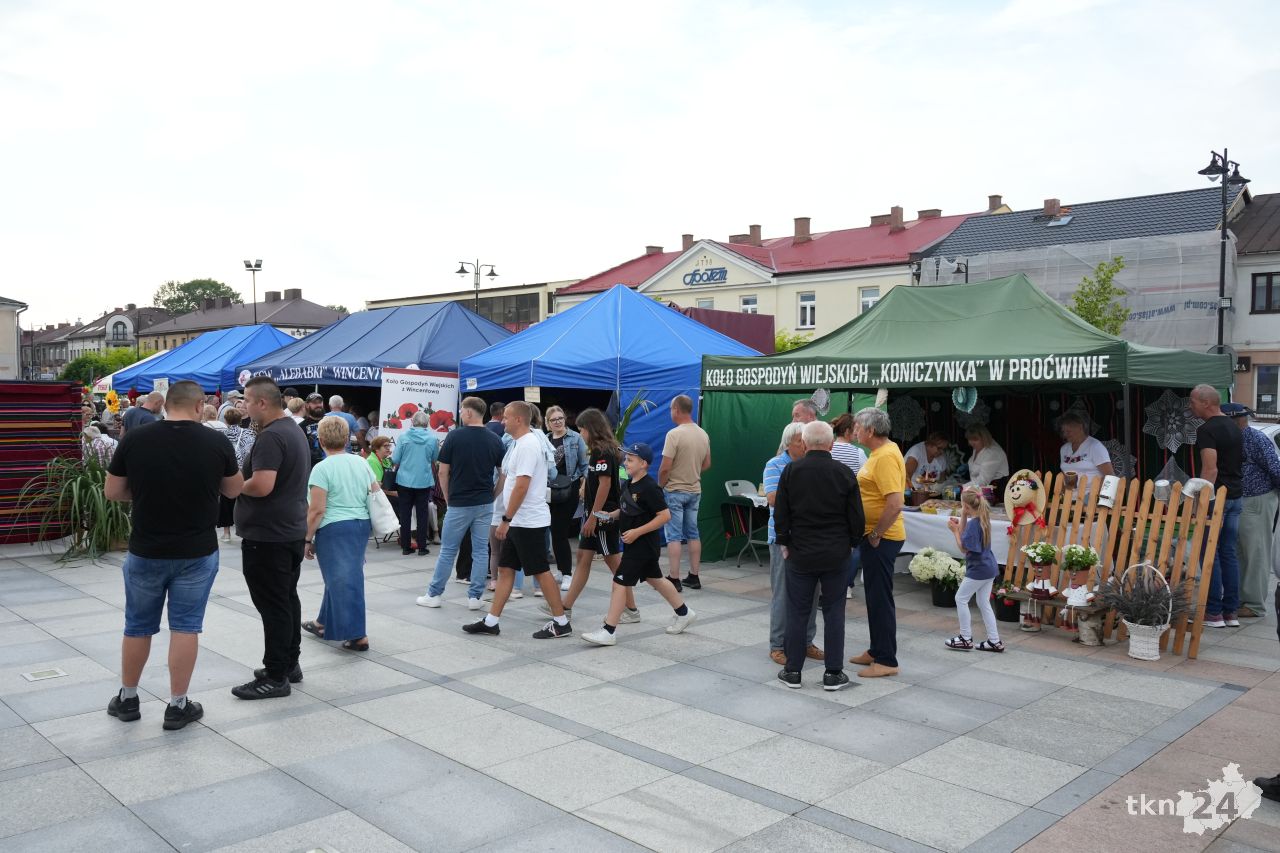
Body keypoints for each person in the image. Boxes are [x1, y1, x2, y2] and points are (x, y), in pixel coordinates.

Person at [104, 380, 242, 730]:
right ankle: (178, 705)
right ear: (198, 407)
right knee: (185, 627)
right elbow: (233, 489)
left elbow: (113, 491)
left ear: (165, 405)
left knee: (137, 626)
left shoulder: (136, 438)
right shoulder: (216, 441)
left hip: (146, 548)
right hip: (197, 551)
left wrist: (146, 492)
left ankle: (128, 698)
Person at [463, 401, 571, 638]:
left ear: (519, 420)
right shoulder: (520, 443)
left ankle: (561, 622)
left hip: (528, 521)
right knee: (505, 569)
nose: (502, 422)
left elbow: (522, 485)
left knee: (541, 571)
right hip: (520, 521)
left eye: (506, 418)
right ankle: (491, 621)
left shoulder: (528, 445)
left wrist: (506, 519)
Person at [233, 376, 312, 699]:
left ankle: (276, 674)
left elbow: (262, 485)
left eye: (247, 401)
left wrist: (234, 486)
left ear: (262, 403)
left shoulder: (271, 436)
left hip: (268, 535)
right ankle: (289, 663)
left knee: (274, 605)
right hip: (288, 529)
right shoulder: (292, 429)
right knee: (286, 599)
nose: (244, 407)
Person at [773, 421, 863, 690]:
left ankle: (793, 671)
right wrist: (852, 543)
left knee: (798, 611)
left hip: (800, 553)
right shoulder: (844, 473)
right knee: (834, 611)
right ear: (831, 444)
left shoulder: (791, 471)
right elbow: (856, 516)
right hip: (836, 553)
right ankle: (833, 673)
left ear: (804, 443)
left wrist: (784, 542)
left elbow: (781, 512)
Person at [582, 442, 697, 646]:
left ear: (643, 464)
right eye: (626, 459)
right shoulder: (629, 484)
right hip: (635, 545)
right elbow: (627, 509)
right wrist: (610, 515)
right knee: (656, 580)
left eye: (630, 460)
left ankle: (608, 630)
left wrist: (637, 532)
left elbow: (665, 516)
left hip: (643, 545)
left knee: (619, 582)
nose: (626, 463)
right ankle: (684, 613)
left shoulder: (650, 487)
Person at [550, 408, 639, 622]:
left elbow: (605, 485)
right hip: (597, 514)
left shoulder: (603, 451)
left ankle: (632, 609)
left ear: (591, 428)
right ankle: (566, 606)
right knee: (583, 557)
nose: (580, 434)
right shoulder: (600, 450)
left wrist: (593, 517)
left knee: (614, 562)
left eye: (582, 429)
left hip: (603, 516)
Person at [417, 397, 505, 610]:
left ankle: (434, 594)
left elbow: (443, 472)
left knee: (448, 550)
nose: (460, 413)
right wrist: (493, 495)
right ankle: (475, 597)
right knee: (480, 550)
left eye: (462, 410)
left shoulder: (454, 436)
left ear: (469, 412)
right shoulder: (495, 439)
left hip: (459, 502)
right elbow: (504, 473)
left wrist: (448, 498)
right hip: (484, 502)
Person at [301, 417, 377, 651]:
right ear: (346, 439)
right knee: (341, 576)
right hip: (360, 524)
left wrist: (307, 538)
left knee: (344, 580)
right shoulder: (360, 462)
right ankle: (322, 622)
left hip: (334, 527)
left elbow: (317, 510)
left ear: (320, 440)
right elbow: (374, 491)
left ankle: (357, 635)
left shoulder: (321, 469)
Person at [850, 407, 905, 678]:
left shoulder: (885, 456)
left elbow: (895, 503)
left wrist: (876, 534)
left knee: (880, 598)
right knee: (874, 596)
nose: (855, 431)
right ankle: (876, 649)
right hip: (875, 536)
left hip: (882, 539)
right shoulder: (880, 452)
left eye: (858, 427)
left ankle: (886, 660)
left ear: (871, 430)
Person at [765, 423, 821, 665]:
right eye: (800, 442)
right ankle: (777, 645)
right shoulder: (775, 464)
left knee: (813, 592)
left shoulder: (812, 465)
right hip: (783, 537)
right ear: (788, 443)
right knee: (782, 593)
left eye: (805, 441)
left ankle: (806, 642)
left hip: (809, 537)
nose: (804, 446)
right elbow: (772, 498)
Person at [1190, 385, 1244, 629]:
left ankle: (1213, 612)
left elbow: (1210, 469)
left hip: (1217, 498)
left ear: (1206, 403)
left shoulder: (1207, 430)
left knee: (1209, 552)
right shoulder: (1234, 426)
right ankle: (1231, 612)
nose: (1191, 407)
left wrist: (1201, 500)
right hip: (1236, 495)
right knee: (1228, 553)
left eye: (1193, 402)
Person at [1224, 402, 1279, 620]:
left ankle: (1254, 605)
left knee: (1256, 553)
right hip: (1243, 499)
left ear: (1234, 420)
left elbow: (1275, 468)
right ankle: (1240, 600)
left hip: (1257, 499)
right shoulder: (1236, 438)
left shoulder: (1254, 438)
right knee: (1241, 552)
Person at [658, 394, 711, 590]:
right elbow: (707, 463)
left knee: (673, 536)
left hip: (674, 490)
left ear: (677, 410)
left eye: (671, 409)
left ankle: (674, 578)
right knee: (693, 533)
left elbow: (665, 467)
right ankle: (694, 576)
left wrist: (660, 486)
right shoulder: (703, 434)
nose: (670, 412)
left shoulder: (674, 434)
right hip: (694, 490)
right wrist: (692, 471)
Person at [945, 488, 1004, 652]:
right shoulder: (983, 519)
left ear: (965, 505)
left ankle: (965, 638)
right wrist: (963, 516)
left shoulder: (973, 525)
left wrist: (955, 531)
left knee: (960, 598)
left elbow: (964, 548)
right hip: (989, 567)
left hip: (978, 569)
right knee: (983, 603)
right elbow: (966, 534)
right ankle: (994, 640)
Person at [545, 405, 588, 585]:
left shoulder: (575, 438)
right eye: (554, 419)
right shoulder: (545, 439)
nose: (558, 422)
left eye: (560, 418)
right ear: (548, 422)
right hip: (549, 490)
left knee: (560, 531)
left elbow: (585, 465)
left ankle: (567, 574)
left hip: (569, 488)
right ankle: (562, 571)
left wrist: (584, 486)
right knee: (553, 531)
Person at [392, 411, 439, 555]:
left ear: (412, 422)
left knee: (405, 513)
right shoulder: (433, 438)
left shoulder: (403, 437)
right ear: (427, 423)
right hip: (423, 480)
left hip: (404, 480)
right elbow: (435, 458)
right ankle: (422, 547)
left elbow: (395, 459)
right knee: (422, 514)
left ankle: (406, 547)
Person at [219, 409, 256, 541]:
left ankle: (226, 532)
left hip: (229, 470)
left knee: (226, 500)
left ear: (225, 420)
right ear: (240, 420)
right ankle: (247, 529)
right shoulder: (249, 433)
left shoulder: (222, 435)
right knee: (246, 500)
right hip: (245, 470)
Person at [1057, 411, 1112, 486]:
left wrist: (1099, 493)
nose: (1065, 435)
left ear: (1080, 427)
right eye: (1063, 432)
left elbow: (1110, 476)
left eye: (1068, 431)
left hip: (1092, 492)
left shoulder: (1095, 446)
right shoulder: (1064, 449)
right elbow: (1064, 476)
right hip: (1070, 492)